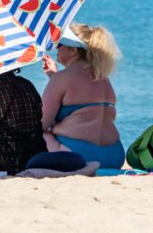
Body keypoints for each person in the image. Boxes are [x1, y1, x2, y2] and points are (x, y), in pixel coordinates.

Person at [40, 22, 125, 168]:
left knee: (40, 134)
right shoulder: (103, 77)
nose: (56, 49)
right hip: (115, 156)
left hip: (80, 156)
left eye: (59, 45)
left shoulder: (62, 78)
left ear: (73, 50)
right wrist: (53, 75)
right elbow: (83, 104)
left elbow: (40, 124)